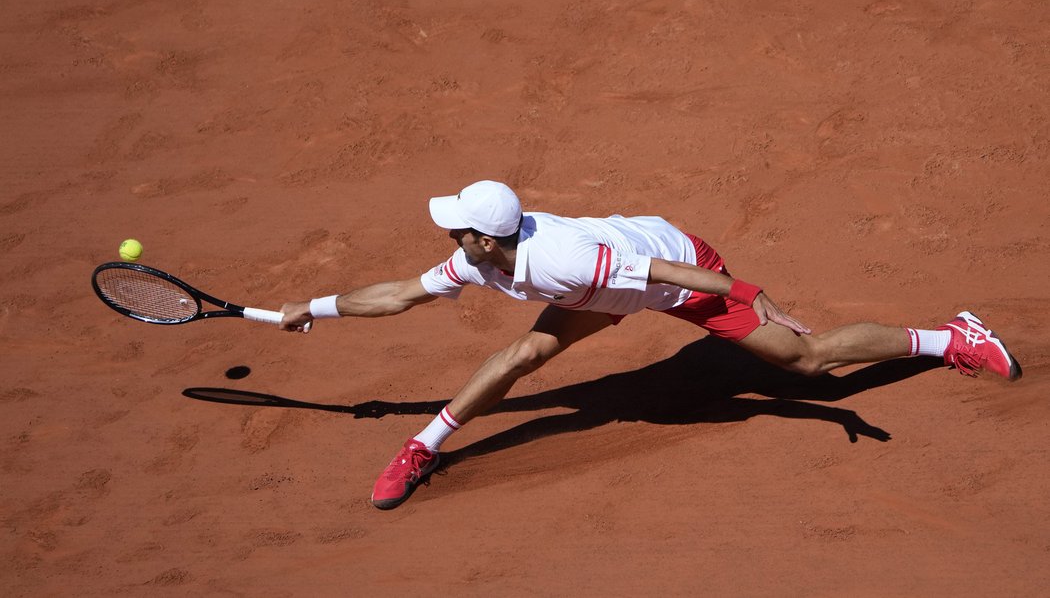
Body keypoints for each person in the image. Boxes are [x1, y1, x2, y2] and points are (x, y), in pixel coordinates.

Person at [279, 180, 1022, 510]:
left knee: (810, 363)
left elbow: (663, 270)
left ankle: (951, 336)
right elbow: (398, 295)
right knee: (522, 358)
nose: (447, 235)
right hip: (599, 297)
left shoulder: (562, 257)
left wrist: (743, 292)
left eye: (457, 228)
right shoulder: (475, 259)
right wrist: (306, 308)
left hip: (676, 276)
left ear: (485, 236)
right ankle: (424, 446)